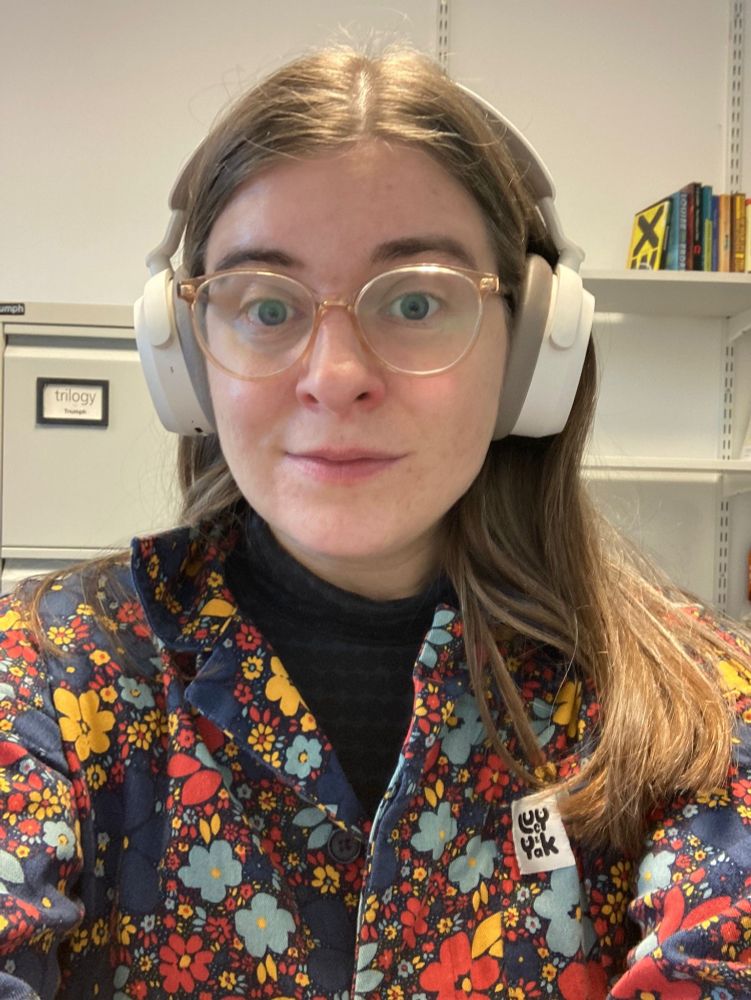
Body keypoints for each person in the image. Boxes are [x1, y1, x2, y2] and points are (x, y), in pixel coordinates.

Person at [1, 44, 750, 1000]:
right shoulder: (40, 680)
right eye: (265, 305)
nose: (333, 375)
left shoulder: (699, 711)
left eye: (414, 300)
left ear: (530, 351)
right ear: (185, 356)